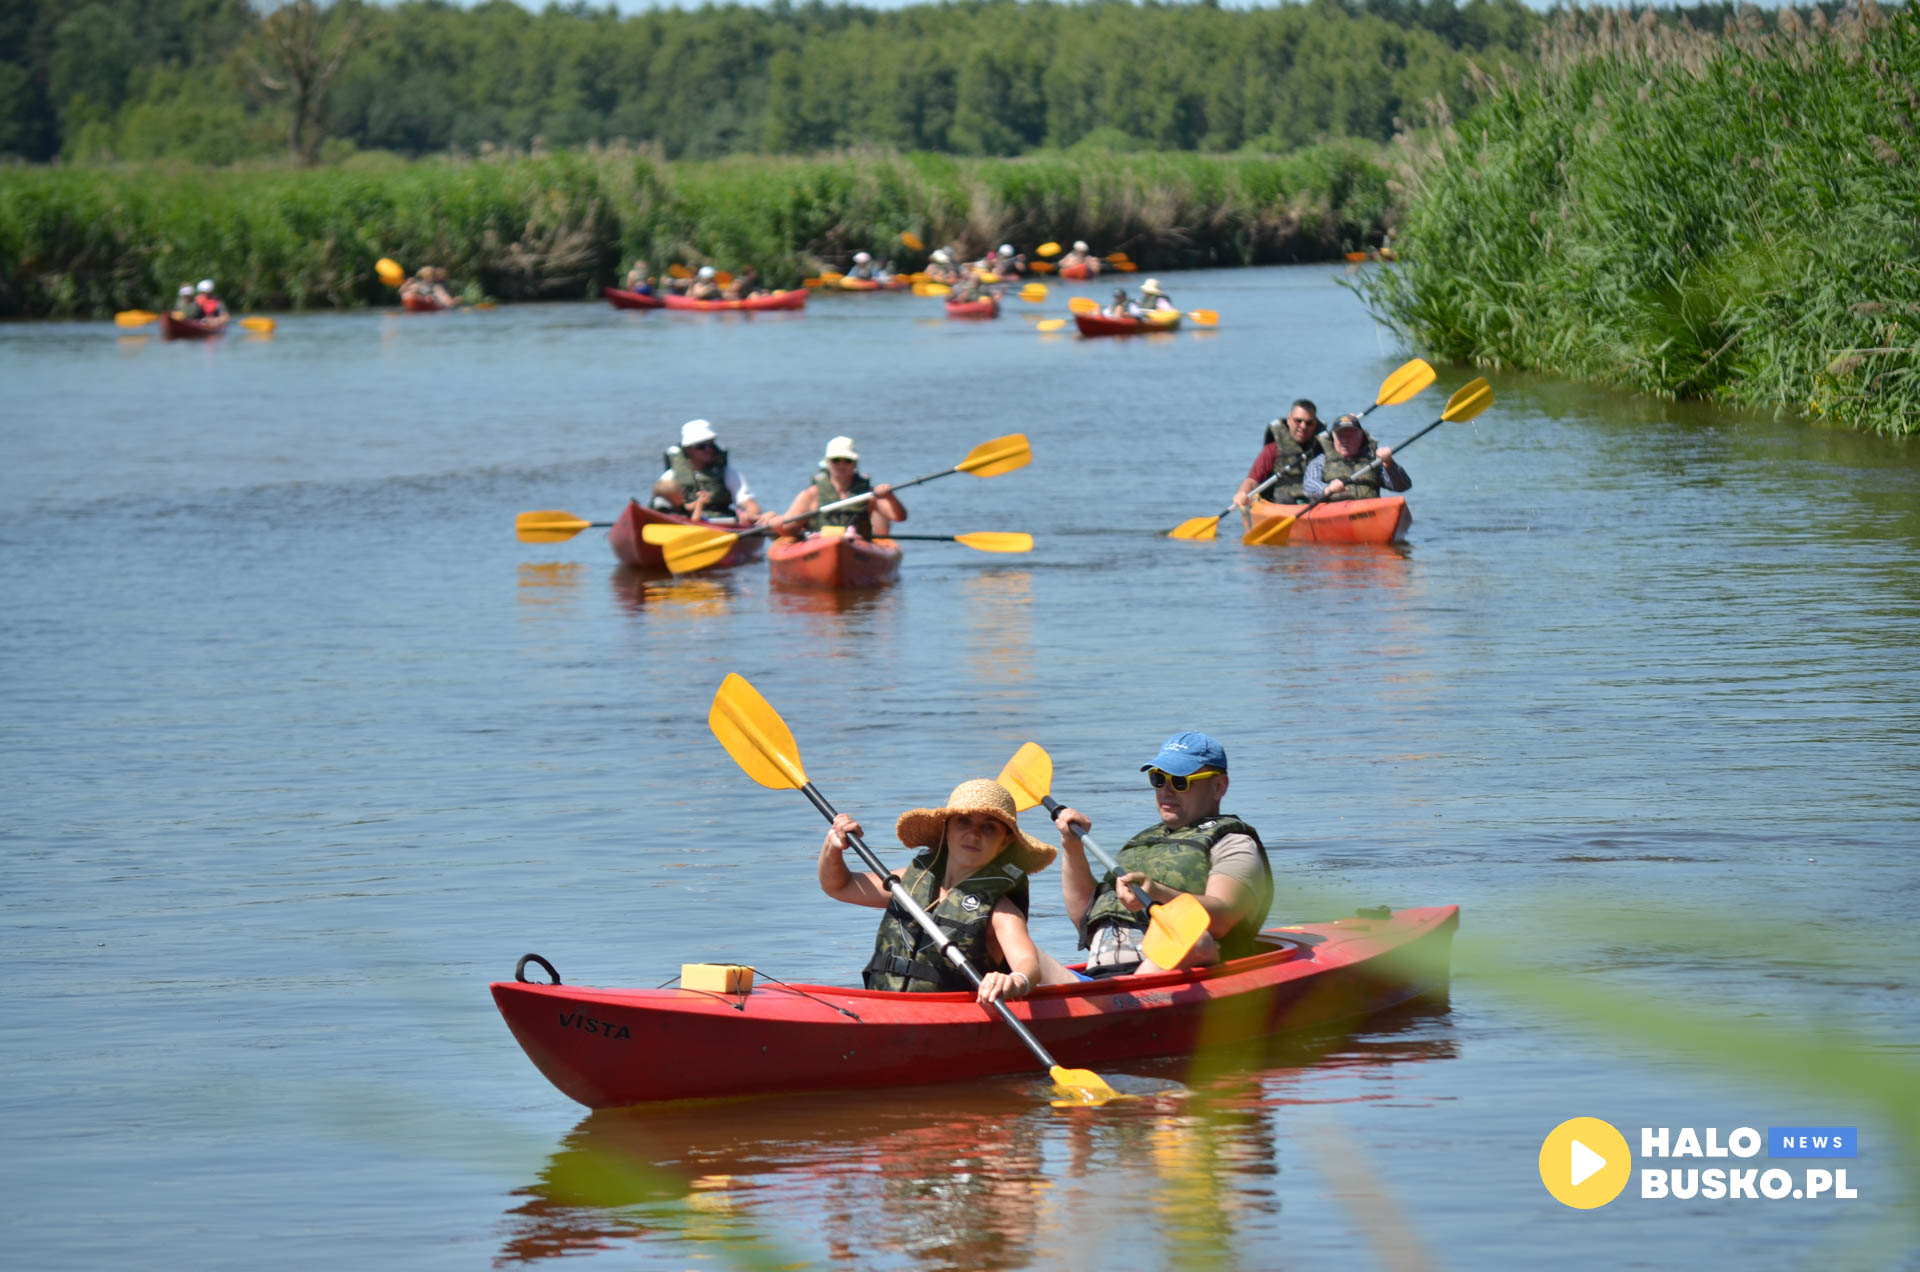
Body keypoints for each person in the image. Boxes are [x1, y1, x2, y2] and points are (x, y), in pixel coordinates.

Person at [1041, 732, 1272, 980]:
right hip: (1100, 980)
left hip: (1165, 981)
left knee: (1196, 939)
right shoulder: (1143, 844)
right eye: (1159, 779)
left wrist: (1157, 893)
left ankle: (1134, 993)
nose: (1167, 791)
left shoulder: (1233, 843)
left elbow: (1223, 917)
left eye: (1180, 781)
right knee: (1027, 955)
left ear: (1218, 786)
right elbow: (1085, 918)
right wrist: (1072, 845)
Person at [819, 779, 1053, 1004]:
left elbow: (1028, 964)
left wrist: (1013, 981)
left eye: (989, 827)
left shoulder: (1001, 911)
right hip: (882, 1004)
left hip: (951, 1017)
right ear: (946, 828)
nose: (973, 835)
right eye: (963, 821)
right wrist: (833, 847)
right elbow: (839, 886)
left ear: (1005, 842)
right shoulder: (905, 883)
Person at [779, 436, 907, 538]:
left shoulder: (869, 494)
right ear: (827, 463)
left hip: (857, 546)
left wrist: (890, 497)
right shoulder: (811, 495)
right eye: (836, 460)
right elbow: (789, 528)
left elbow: (899, 517)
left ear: (855, 463)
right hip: (819, 545)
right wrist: (777, 525)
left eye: (847, 460)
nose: (841, 465)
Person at [650, 419, 766, 523]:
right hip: (684, 525)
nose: (708, 449)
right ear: (688, 449)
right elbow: (658, 507)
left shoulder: (728, 473)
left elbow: (751, 505)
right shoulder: (670, 477)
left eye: (711, 445)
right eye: (701, 446)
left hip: (723, 524)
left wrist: (749, 515)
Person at [1233, 399, 1325, 510]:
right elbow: (1252, 481)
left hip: (1315, 506)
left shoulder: (1324, 446)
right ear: (1289, 419)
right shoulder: (1272, 449)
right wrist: (1242, 493)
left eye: (1309, 423)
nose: (1303, 426)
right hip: (1282, 507)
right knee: (1286, 500)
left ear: (1315, 424)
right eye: (1298, 421)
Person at [1302, 412, 1411, 502]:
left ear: (1361, 437)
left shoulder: (1374, 460)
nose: (1345, 441)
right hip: (1334, 513)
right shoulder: (1321, 460)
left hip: (1368, 513)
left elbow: (1403, 486)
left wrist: (1389, 464)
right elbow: (1308, 486)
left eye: (1350, 435)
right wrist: (1327, 489)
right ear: (1333, 438)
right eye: (1341, 436)